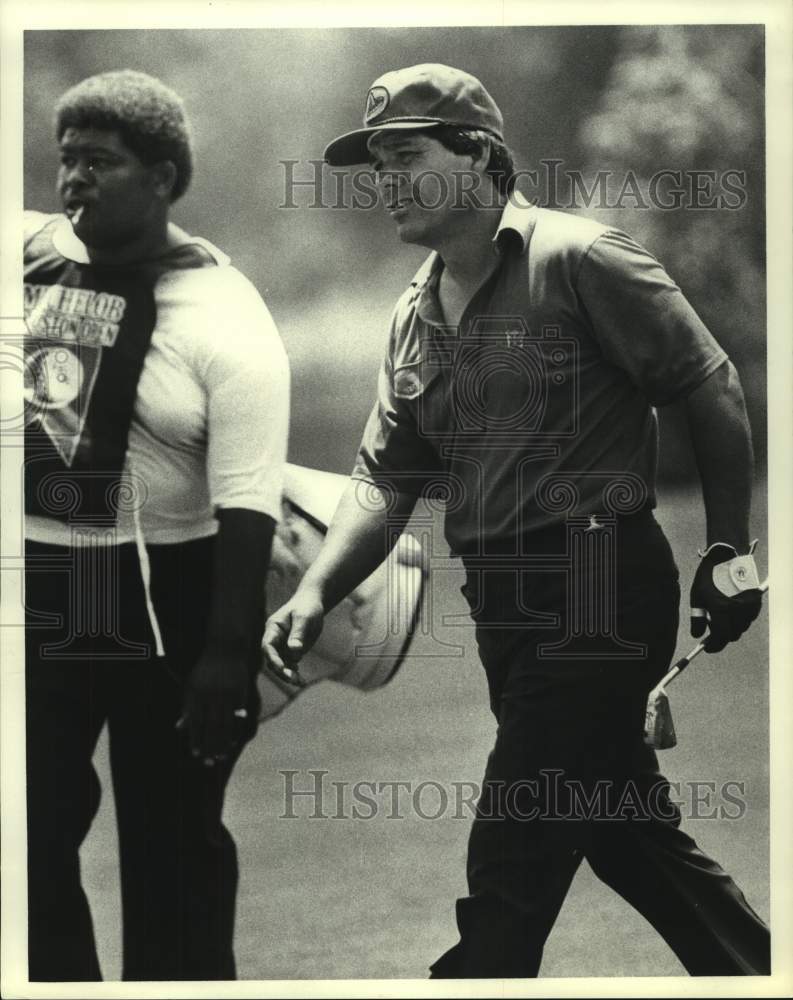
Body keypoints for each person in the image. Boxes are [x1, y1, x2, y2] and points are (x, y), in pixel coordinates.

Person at [263, 64, 770, 977]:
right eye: (373, 164)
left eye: (404, 156)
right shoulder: (410, 319)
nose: (383, 181)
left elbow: (710, 385)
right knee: (620, 829)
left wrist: (729, 553)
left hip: (597, 580)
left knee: (512, 857)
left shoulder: (580, 259)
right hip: (502, 602)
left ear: (479, 158)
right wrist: (315, 590)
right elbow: (383, 481)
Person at [23, 70, 289, 981]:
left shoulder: (223, 312)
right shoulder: (34, 268)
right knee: (25, 831)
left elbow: (248, 497)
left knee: (172, 843)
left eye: (101, 162)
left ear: (165, 176)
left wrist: (226, 652)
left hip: (175, 592)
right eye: (67, 162)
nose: (76, 181)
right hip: (48, 584)